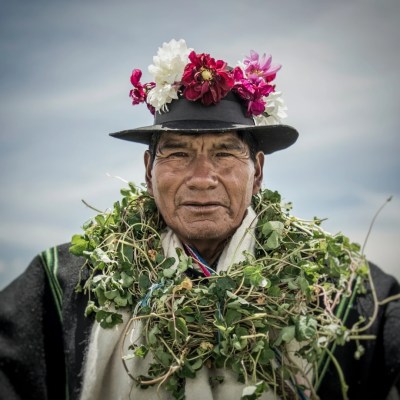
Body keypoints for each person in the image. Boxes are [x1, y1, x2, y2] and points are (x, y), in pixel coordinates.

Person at [1, 39, 399, 400]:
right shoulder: (68, 283)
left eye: (225, 153)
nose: (202, 178)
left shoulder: (343, 293)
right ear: (148, 170)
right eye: (178, 153)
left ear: (258, 172)